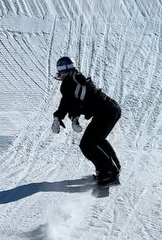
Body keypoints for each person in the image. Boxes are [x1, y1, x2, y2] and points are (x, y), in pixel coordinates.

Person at [52, 56, 121, 186]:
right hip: (110, 110)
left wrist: (69, 116)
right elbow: (68, 101)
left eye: (62, 71)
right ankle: (109, 170)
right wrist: (60, 116)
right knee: (97, 140)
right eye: (61, 72)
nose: (61, 74)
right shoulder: (72, 81)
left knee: (87, 145)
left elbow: (72, 100)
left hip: (106, 112)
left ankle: (109, 172)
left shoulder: (72, 80)